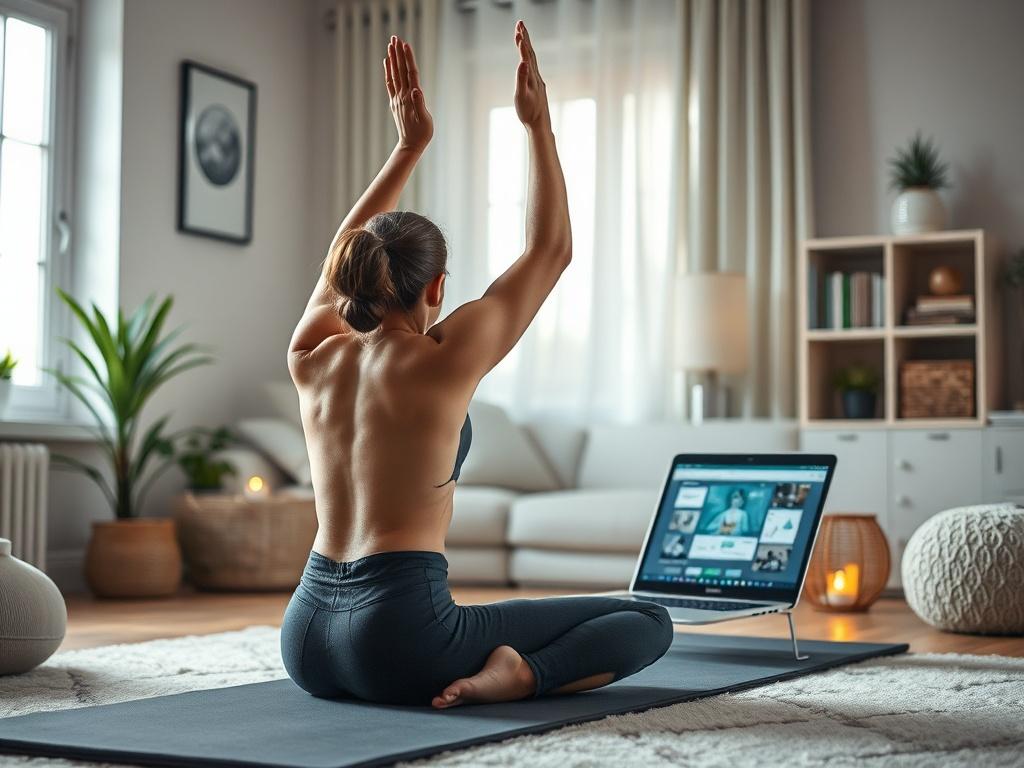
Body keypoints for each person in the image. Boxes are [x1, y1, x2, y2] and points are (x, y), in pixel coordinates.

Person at [280, 21, 673, 709]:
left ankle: (501, 668)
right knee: (648, 620)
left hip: (306, 637)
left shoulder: (312, 356)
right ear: (437, 289)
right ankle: (522, 676)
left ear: (352, 280)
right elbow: (549, 252)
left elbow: (337, 262)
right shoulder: (442, 359)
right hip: (399, 638)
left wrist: (408, 147)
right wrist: (539, 126)